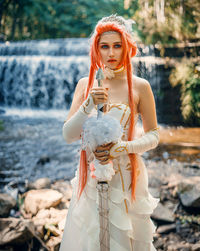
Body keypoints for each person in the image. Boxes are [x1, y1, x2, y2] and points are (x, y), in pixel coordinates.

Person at [60, 14, 160, 251]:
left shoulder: (140, 86)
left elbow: (154, 135)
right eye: (104, 46)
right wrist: (88, 104)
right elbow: (68, 135)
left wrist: (123, 148)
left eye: (117, 46)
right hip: (90, 179)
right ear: (97, 49)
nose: (111, 53)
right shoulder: (86, 84)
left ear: (127, 47)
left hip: (126, 178)